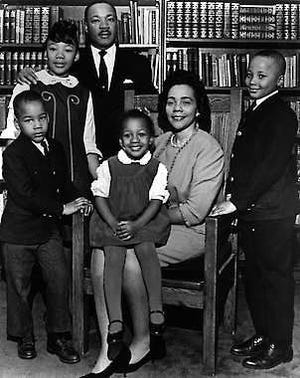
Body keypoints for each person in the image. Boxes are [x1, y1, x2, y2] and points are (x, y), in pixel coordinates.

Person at [81, 70, 224, 377]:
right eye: (171, 101)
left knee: (129, 252)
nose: (177, 108)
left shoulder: (209, 147)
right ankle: (111, 345)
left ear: (199, 107)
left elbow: (195, 211)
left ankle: (143, 339)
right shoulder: (157, 141)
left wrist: (138, 217)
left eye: (186, 102)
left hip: (191, 231)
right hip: (149, 223)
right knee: (102, 245)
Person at [211, 50, 298, 370]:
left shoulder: (282, 115)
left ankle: (281, 345)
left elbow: (270, 167)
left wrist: (236, 201)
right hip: (255, 210)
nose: (252, 81)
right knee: (256, 278)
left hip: (273, 212)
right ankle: (265, 335)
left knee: (275, 279)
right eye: (249, 74)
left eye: (261, 76)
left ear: (280, 79)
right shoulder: (257, 110)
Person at [0, 90, 93, 363]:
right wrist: (62, 208)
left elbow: (63, 184)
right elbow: (24, 194)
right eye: (29, 120)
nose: (37, 125)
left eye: (42, 118)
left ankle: (58, 336)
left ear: (48, 118)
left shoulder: (56, 147)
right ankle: (24, 336)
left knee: (58, 279)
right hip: (18, 232)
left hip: (48, 230)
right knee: (19, 287)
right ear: (18, 124)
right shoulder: (14, 153)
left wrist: (78, 197)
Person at [16, 1, 156, 158]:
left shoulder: (138, 63)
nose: (104, 26)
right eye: (96, 20)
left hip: (127, 153)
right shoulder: (73, 62)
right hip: (81, 156)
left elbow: (151, 106)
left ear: (117, 24)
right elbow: (51, 77)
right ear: (86, 27)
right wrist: (26, 73)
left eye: (109, 19)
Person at [89, 109, 170, 374]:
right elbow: (99, 196)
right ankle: (115, 323)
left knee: (146, 250)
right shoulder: (108, 165)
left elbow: (157, 200)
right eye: (128, 135)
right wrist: (113, 222)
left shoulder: (158, 168)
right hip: (113, 220)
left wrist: (136, 225)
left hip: (143, 221)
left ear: (152, 139)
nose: (135, 140)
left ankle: (156, 312)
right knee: (113, 256)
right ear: (120, 141)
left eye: (142, 134)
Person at [3, 20, 101, 194]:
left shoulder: (84, 92)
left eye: (68, 50)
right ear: (45, 52)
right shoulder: (28, 84)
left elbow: (88, 143)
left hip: (75, 178)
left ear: (77, 55)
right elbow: (13, 137)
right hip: (35, 180)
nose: (60, 56)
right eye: (53, 48)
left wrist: (102, 181)